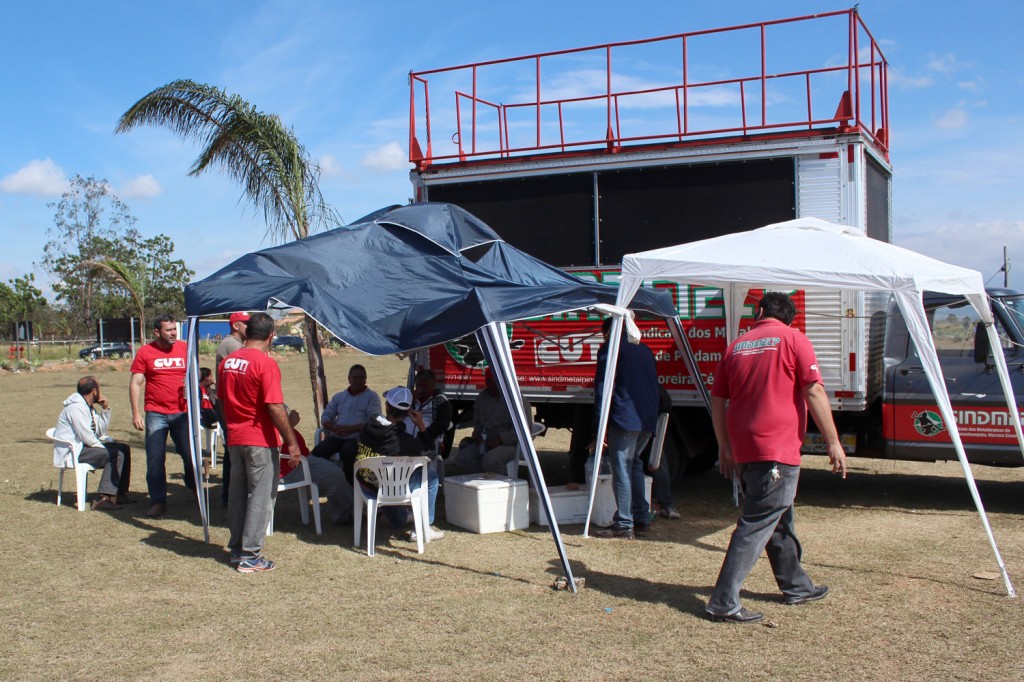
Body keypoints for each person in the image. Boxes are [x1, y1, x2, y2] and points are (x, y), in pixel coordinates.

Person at [705, 292, 847, 624]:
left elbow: (718, 400)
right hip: (776, 449)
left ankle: (796, 585)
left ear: (759, 312)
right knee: (758, 521)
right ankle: (723, 602)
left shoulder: (737, 346)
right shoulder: (795, 339)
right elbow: (813, 390)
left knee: (777, 517)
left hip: (746, 448)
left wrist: (724, 446)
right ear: (789, 318)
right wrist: (833, 442)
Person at [218, 312, 300, 573]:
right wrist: (292, 443)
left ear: (246, 331)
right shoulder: (265, 364)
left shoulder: (228, 362)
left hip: (235, 438)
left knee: (238, 494)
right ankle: (251, 555)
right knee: (260, 497)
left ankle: (237, 549)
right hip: (259, 440)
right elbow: (275, 406)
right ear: (270, 336)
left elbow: (220, 400)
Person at [590, 316, 660, 540]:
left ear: (607, 332)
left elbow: (603, 388)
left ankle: (624, 522)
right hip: (647, 417)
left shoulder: (610, 348)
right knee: (635, 466)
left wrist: (601, 425)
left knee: (620, 467)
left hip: (624, 417)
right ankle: (641, 517)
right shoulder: (644, 348)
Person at [356, 386, 443, 542]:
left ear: (387, 405)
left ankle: (400, 518)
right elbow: (430, 453)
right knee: (432, 479)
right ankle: (423, 528)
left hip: (366, 484)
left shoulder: (367, 426)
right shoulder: (405, 441)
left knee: (388, 476)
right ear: (408, 413)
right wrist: (422, 427)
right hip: (387, 487)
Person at [129, 313, 195, 518]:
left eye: (175, 329)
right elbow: (136, 383)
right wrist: (136, 412)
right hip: (156, 413)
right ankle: (158, 501)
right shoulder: (145, 352)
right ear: (157, 332)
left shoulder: (185, 348)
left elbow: (195, 376)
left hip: (182, 413)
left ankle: (194, 486)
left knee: (189, 454)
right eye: (169, 330)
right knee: (155, 458)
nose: (174, 333)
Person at [53, 376, 133, 510]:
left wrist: (105, 409)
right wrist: (105, 449)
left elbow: (99, 431)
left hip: (84, 447)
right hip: (74, 452)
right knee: (116, 454)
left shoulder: (87, 407)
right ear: (94, 391)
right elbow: (87, 437)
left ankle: (118, 494)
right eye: (99, 388)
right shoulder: (76, 408)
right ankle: (103, 498)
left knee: (123, 449)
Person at [279, 407, 353, 526]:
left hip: (301, 460)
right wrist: (290, 423)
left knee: (337, 472)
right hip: (290, 466)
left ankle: (351, 511)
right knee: (335, 476)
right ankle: (344, 517)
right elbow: (272, 442)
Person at [453, 369, 531, 475]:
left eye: (497, 383)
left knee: (491, 460)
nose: (493, 387)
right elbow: (478, 422)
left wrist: (500, 439)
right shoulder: (482, 398)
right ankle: (482, 479)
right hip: (486, 441)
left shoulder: (517, 401)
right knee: (462, 459)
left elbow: (523, 431)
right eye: (490, 382)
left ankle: (501, 485)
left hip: (511, 445)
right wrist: (477, 433)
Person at [310, 364, 381, 480]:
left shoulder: (372, 397)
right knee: (317, 453)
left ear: (365, 379)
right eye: (355, 377)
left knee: (348, 453)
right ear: (349, 379)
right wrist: (334, 427)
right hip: (337, 435)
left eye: (361, 377)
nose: (358, 380)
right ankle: (324, 480)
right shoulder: (339, 397)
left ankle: (350, 485)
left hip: (357, 438)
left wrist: (351, 429)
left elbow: (373, 420)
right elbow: (326, 416)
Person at [215, 312, 249, 506]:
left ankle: (230, 495)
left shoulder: (235, 344)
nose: (249, 327)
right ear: (236, 325)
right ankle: (230, 496)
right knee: (233, 454)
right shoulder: (232, 345)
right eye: (246, 324)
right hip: (230, 407)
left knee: (233, 453)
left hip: (230, 405)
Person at [404, 369, 453, 456]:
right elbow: (396, 415)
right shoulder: (408, 398)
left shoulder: (441, 401)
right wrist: (410, 400)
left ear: (433, 385)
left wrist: (421, 437)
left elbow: (440, 426)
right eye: (419, 385)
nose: (422, 389)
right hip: (405, 439)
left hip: (429, 441)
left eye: (426, 386)